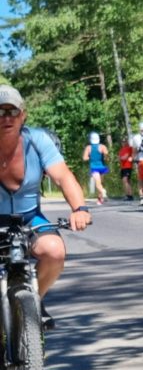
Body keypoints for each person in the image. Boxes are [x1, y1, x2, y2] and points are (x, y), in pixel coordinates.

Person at [0, 85, 91, 329]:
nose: (6, 118)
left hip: (29, 219)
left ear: (23, 115)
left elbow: (63, 177)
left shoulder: (37, 140)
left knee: (55, 251)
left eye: (12, 111)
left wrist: (80, 208)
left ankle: (34, 300)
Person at [81, 132, 109, 204]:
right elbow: (107, 155)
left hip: (94, 167)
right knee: (100, 183)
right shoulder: (102, 146)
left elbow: (84, 158)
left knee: (98, 183)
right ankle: (100, 199)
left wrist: (89, 157)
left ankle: (103, 191)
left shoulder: (88, 148)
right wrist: (105, 157)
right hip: (102, 167)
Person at [117, 136, 134, 200]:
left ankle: (129, 195)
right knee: (126, 181)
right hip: (123, 167)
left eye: (124, 141)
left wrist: (121, 158)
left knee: (125, 180)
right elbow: (119, 158)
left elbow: (125, 157)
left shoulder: (129, 148)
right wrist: (120, 158)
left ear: (127, 142)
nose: (123, 143)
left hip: (127, 166)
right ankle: (129, 194)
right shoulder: (121, 149)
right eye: (122, 141)